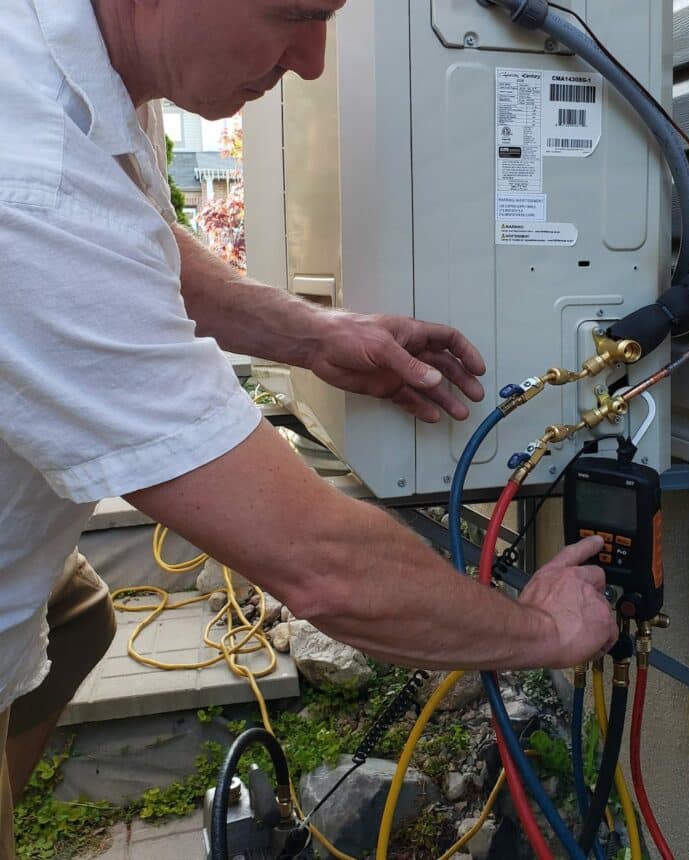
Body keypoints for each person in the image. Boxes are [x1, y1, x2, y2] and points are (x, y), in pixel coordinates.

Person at [0, 1, 618, 855]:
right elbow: (322, 568)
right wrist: (542, 632)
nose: (315, 61)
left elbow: (135, 236)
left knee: (77, 620)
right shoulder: (26, 176)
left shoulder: (70, 68)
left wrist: (310, 333)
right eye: (291, 13)